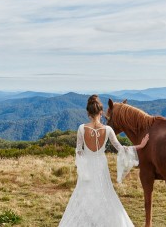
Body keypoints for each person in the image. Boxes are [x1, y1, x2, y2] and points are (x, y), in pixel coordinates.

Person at [58, 94, 149, 227]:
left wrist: (83, 164)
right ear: (101, 112)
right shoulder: (108, 129)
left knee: (84, 193)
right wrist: (140, 146)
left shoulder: (82, 129)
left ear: (88, 113)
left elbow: (78, 150)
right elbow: (120, 148)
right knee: (105, 192)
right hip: (101, 165)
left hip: (88, 165)